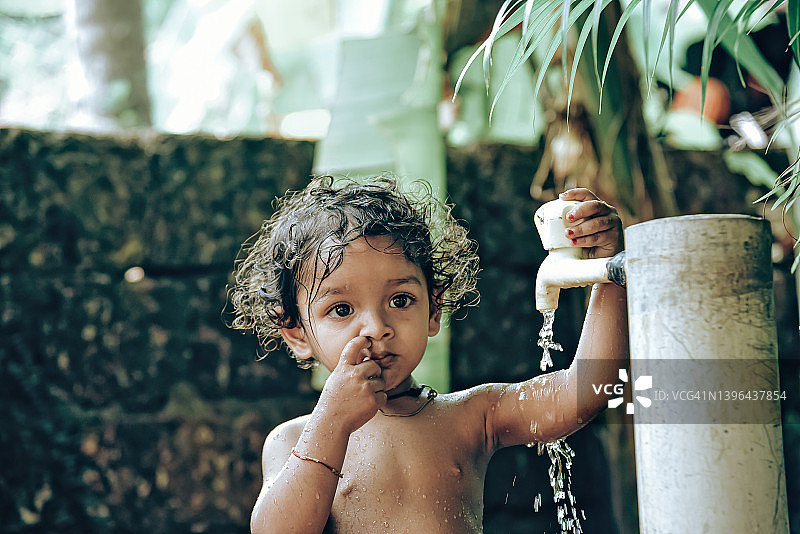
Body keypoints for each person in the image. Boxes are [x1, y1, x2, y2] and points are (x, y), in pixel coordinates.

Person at [229, 175, 628, 533]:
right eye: (342, 309)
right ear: (297, 334)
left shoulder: (474, 416)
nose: (376, 327)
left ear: (434, 311)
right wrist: (330, 422)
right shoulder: (295, 440)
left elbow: (585, 391)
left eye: (400, 300)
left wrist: (607, 272)